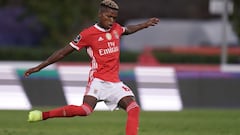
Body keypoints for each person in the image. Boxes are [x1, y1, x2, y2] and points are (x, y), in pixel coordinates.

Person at [24, 0, 159, 135]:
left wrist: (145, 25)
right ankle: (43, 115)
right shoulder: (87, 34)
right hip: (98, 81)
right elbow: (62, 52)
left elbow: (128, 30)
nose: (112, 21)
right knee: (85, 110)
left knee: (134, 108)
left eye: (114, 18)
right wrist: (40, 66)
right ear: (100, 14)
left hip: (115, 83)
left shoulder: (116, 29)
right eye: (108, 16)